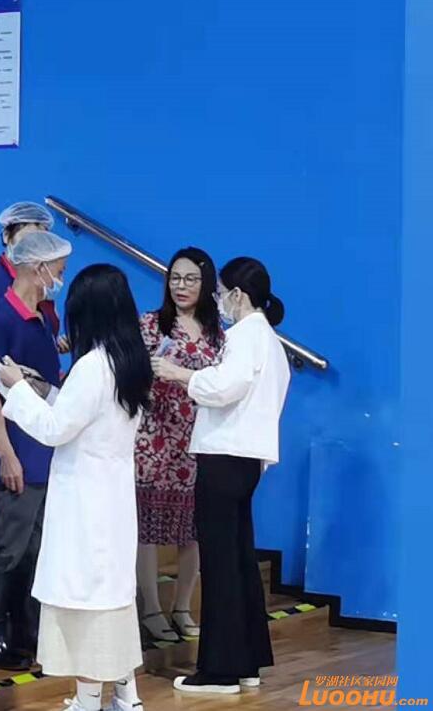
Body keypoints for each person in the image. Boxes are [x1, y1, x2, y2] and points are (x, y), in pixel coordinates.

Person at [0, 264, 152, 711]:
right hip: (110, 497)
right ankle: (126, 697)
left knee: (87, 605)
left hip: (86, 501)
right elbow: (81, 415)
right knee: (111, 599)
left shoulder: (92, 366)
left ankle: (87, 702)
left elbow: (54, 430)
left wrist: (15, 390)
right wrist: (42, 388)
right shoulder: (128, 361)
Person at [151, 257, 290, 695]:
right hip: (245, 461)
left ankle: (220, 669)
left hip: (225, 458)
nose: (218, 301)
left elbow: (226, 387)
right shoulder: (268, 340)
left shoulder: (246, 336)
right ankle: (246, 661)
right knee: (238, 560)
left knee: (220, 564)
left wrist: (179, 374)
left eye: (220, 292)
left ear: (237, 295)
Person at [0, 230, 73, 672]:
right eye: (58, 270)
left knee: (34, 548)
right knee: (6, 546)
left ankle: (25, 630)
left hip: (44, 447)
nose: (60, 278)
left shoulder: (43, 318)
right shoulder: (1, 319)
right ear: (38, 268)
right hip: (17, 449)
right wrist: (5, 453)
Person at [134, 247, 223, 644]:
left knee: (194, 530)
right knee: (147, 529)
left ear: (206, 284)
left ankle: (183, 607)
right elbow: (132, 373)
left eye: (190, 279)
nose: (181, 286)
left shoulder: (218, 333)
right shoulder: (151, 324)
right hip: (153, 437)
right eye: (175, 278)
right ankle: (151, 609)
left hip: (198, 438)